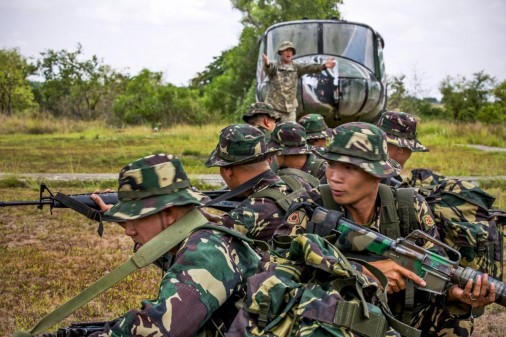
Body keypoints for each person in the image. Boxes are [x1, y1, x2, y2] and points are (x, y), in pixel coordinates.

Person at [276, 122, 496, 337]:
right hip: (334, 316)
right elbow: (277, 269)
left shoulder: (408, 207)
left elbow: (432, 272)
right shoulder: (313, 205)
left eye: (350, 168)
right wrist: (363, 271)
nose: (334, 176)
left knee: (456, 321)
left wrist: (453, 295)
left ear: (378, 173)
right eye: (332, 164)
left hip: (398, 313)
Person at [88, 153, 260, 337]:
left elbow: (158, 329)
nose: (128, 231)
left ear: (169, 212)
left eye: (134, 217)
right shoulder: (203, 238)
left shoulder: (207, 251)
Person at [205, 124, 311, 241]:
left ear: (227, 170)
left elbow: (204, 241)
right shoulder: (299, 181)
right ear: (270, 160)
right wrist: (213, 218)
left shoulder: (248, 214)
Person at [262, 40, 336, 122]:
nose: (288, 53)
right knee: (271, 132)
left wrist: (324, 66)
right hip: (274, 108)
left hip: (289, 111)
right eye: (286, 50)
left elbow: (309, 68)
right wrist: (267, 64)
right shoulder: (275, 67)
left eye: (290, 51)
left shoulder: (296, 68)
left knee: (289, 132)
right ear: (281, 53)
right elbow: (269, 69)